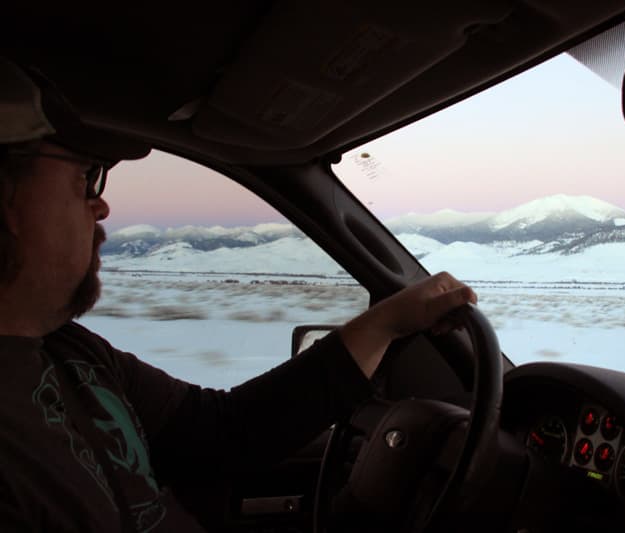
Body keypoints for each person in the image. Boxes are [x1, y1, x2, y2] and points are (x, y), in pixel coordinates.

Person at [0, 58, 477, 531]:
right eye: (87, 176)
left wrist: (386, 321)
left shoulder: (70, 354)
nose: (101, 205)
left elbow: (224, 433)